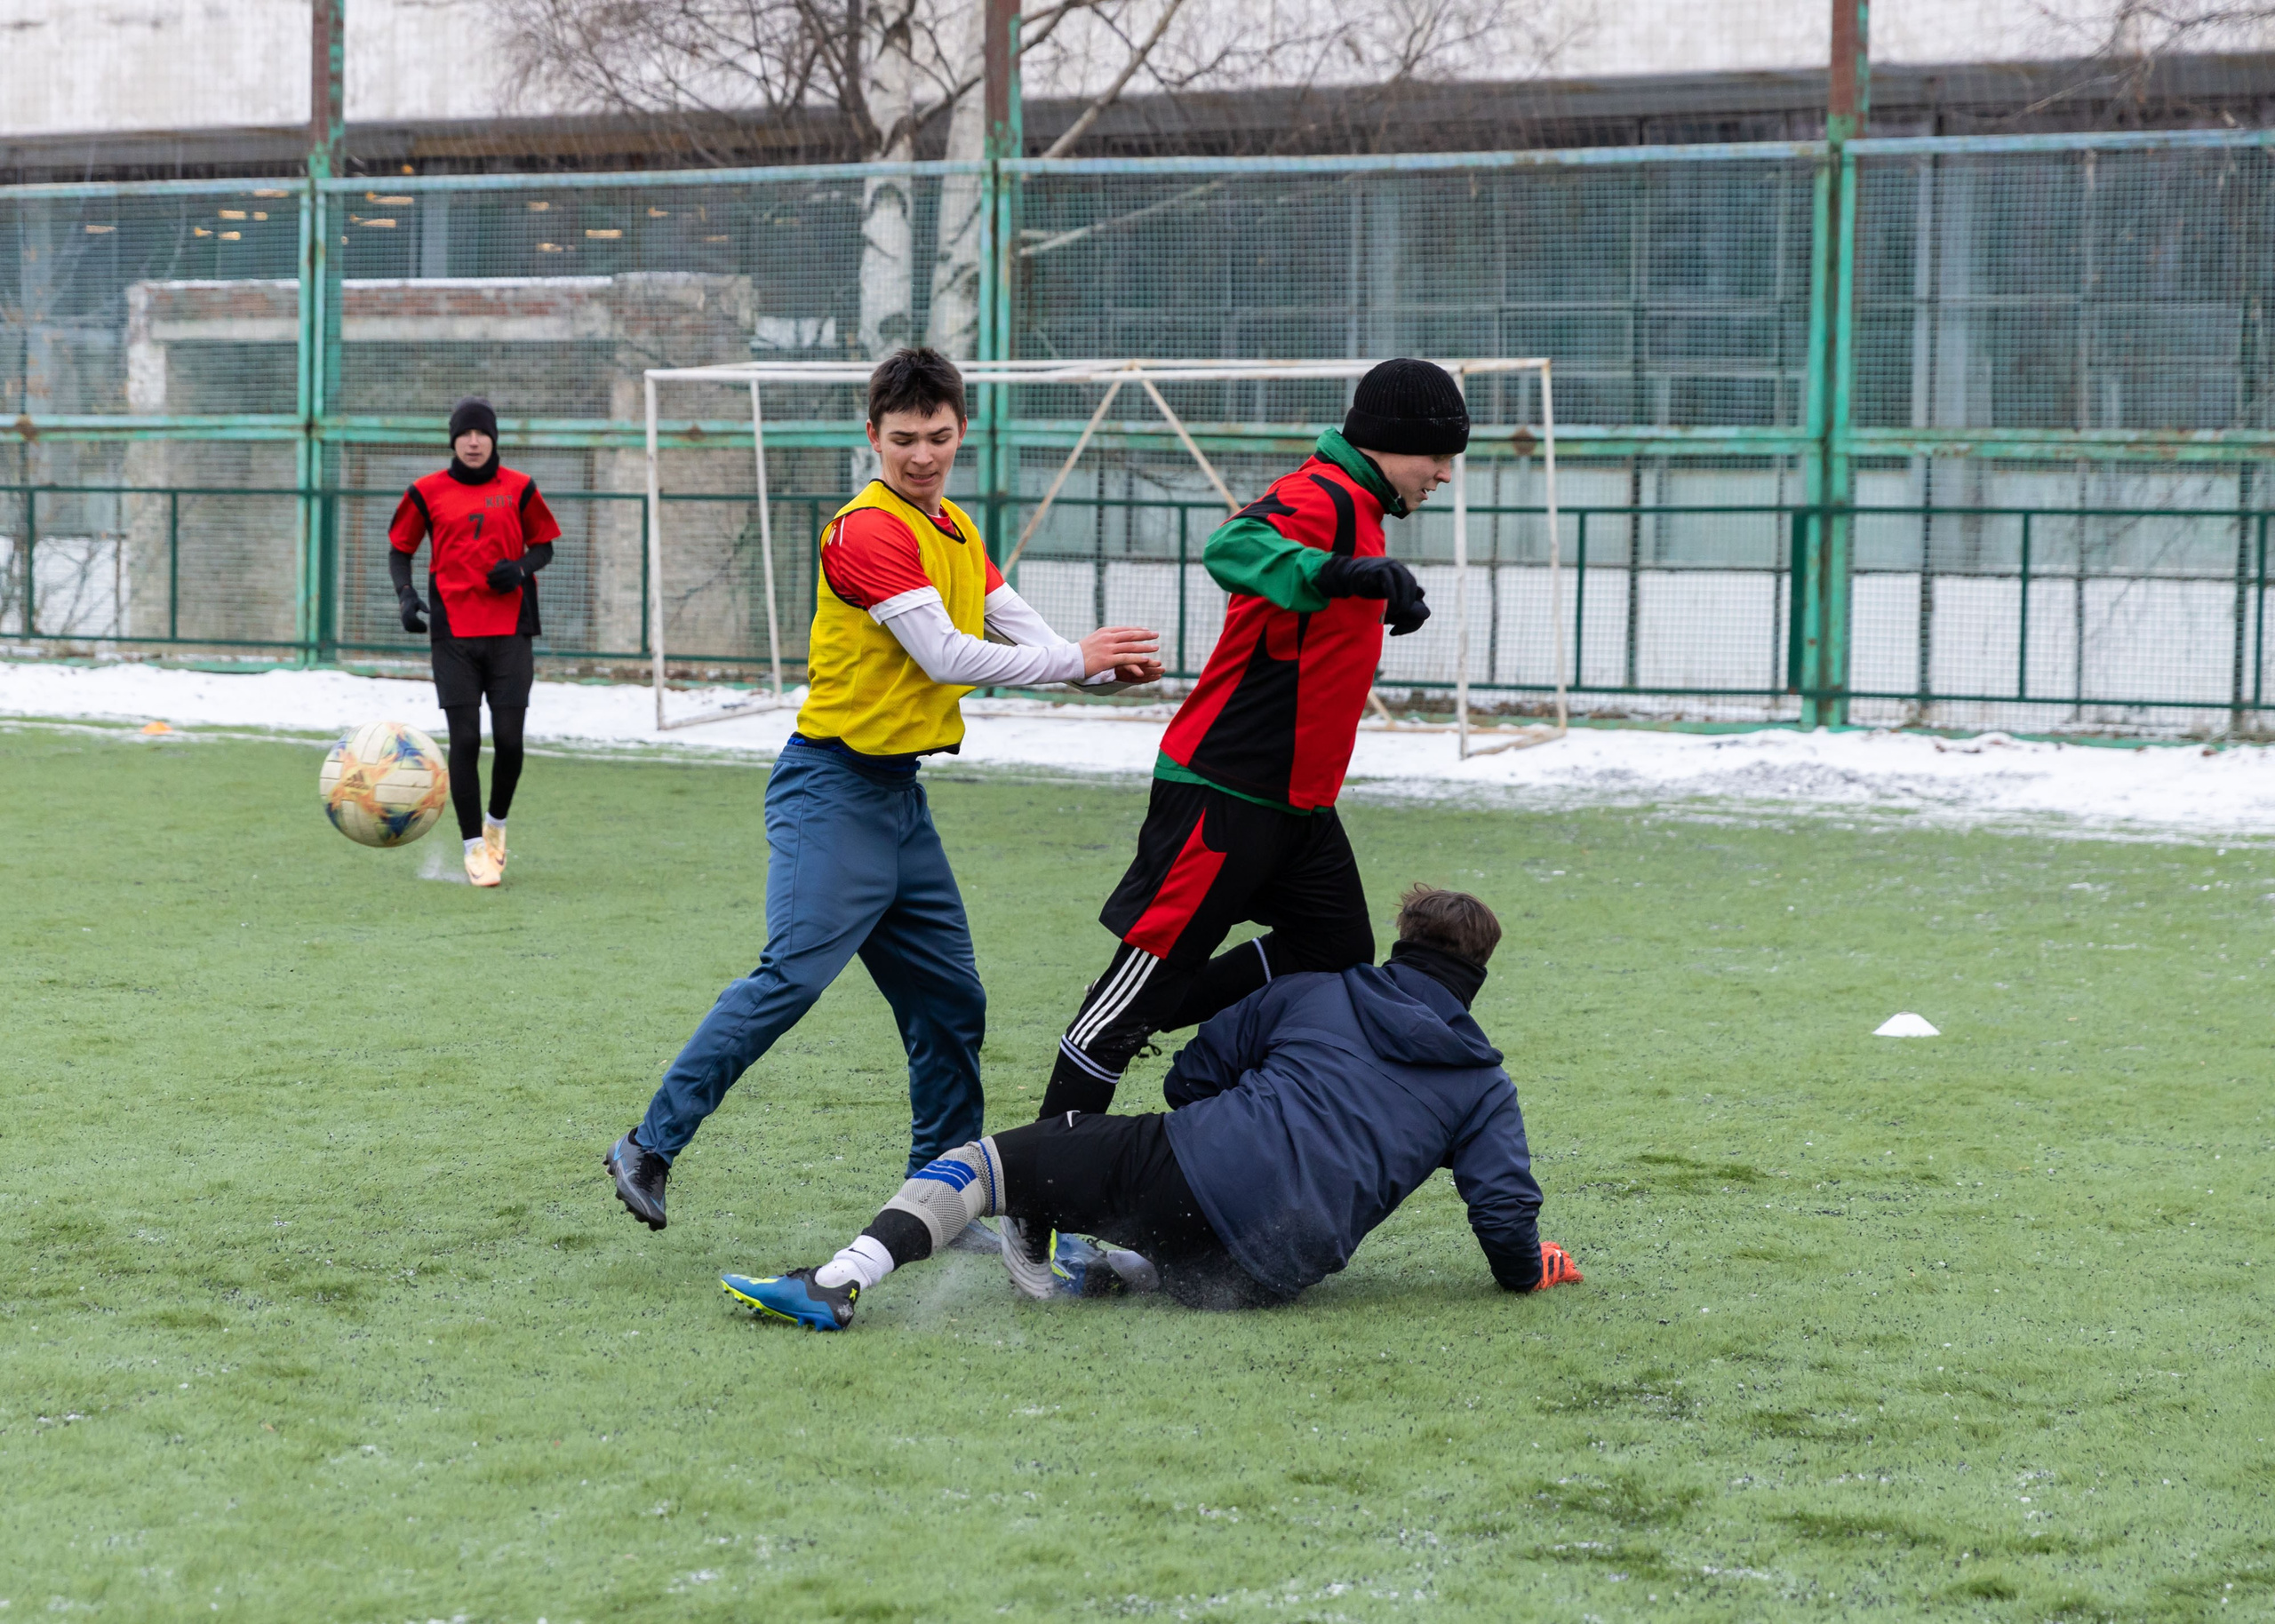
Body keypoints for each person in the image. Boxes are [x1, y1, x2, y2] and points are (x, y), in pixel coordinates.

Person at [605, 347, 1162, 1237]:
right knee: (791, 976)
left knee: (952, 1006)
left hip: (898, 804)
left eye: (937, 437)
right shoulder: (865, 529)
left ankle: (935, 1195)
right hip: (829, 790)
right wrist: (1074, 661)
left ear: (960, 432)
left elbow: (1027, 636)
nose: (921, 455)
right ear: (872, 437)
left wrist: (1103, 674)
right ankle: (648, 1145)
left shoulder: (955, 532)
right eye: (902, 439)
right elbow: (944, 654)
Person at [721, 886, 1583, 1327]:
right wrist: (1527, 1268)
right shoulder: (1482, 1084)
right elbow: (1505, 1214)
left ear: (1399, 944)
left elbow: (1188, 1079)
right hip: (1267, 1279)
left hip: (1186, 1180)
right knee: (1191, 1253)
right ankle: (1131, 1268)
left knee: (986, 1163)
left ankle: (838, 1283)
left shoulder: (1313, 992)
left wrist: (1239, 1133)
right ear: (1475, 977)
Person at [1031, 358, 1472, 1141]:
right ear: (1390, 441)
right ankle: (1040, 1204)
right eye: (1437, 455)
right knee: (1127, 1004)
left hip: (1296, 805)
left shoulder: (1364, 507)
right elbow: (1231, 546)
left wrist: (1363, 576)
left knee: (1332, 951)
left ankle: (1150, 1013)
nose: (1444, 472)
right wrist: (1347, 570)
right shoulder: (1325, 495)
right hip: (1223, 790)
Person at [387, 396, 562, 888]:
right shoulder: (425, 492)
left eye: (481, 433)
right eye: (464, 433)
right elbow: (399, 552)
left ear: (493, 438)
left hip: (510, 631)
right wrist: (406, 598)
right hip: (453, 635)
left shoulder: (521, 488)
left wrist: (521, 568)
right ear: (453, 440)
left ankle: (497, 826)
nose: (473, 441)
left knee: (509, 741)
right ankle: (473, 848)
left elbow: (544, 545)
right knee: (464, 740)